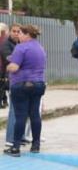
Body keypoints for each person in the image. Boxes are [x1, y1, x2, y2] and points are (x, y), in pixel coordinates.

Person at [4, 24, 47, 157]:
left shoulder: (21, 47)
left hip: (22, 84)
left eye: (21, 33)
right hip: (39, 84)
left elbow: (15, 67)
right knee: (34, 115)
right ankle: (36, 145)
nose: (18, 35)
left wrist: (8, 67)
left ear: (27, 35)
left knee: (20, 116)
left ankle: (15, 148)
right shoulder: (40, 48)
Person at [1, 23, 22, 147]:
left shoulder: (20, 44)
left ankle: (20, 136)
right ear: (9, 32)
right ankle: (10, 138)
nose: (16, 33)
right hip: (9, 80)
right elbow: (9, 59)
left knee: (21, 110)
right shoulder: (5, 45)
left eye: (18, 31)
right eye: (14, 31)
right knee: (13, 110)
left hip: (21, 79)